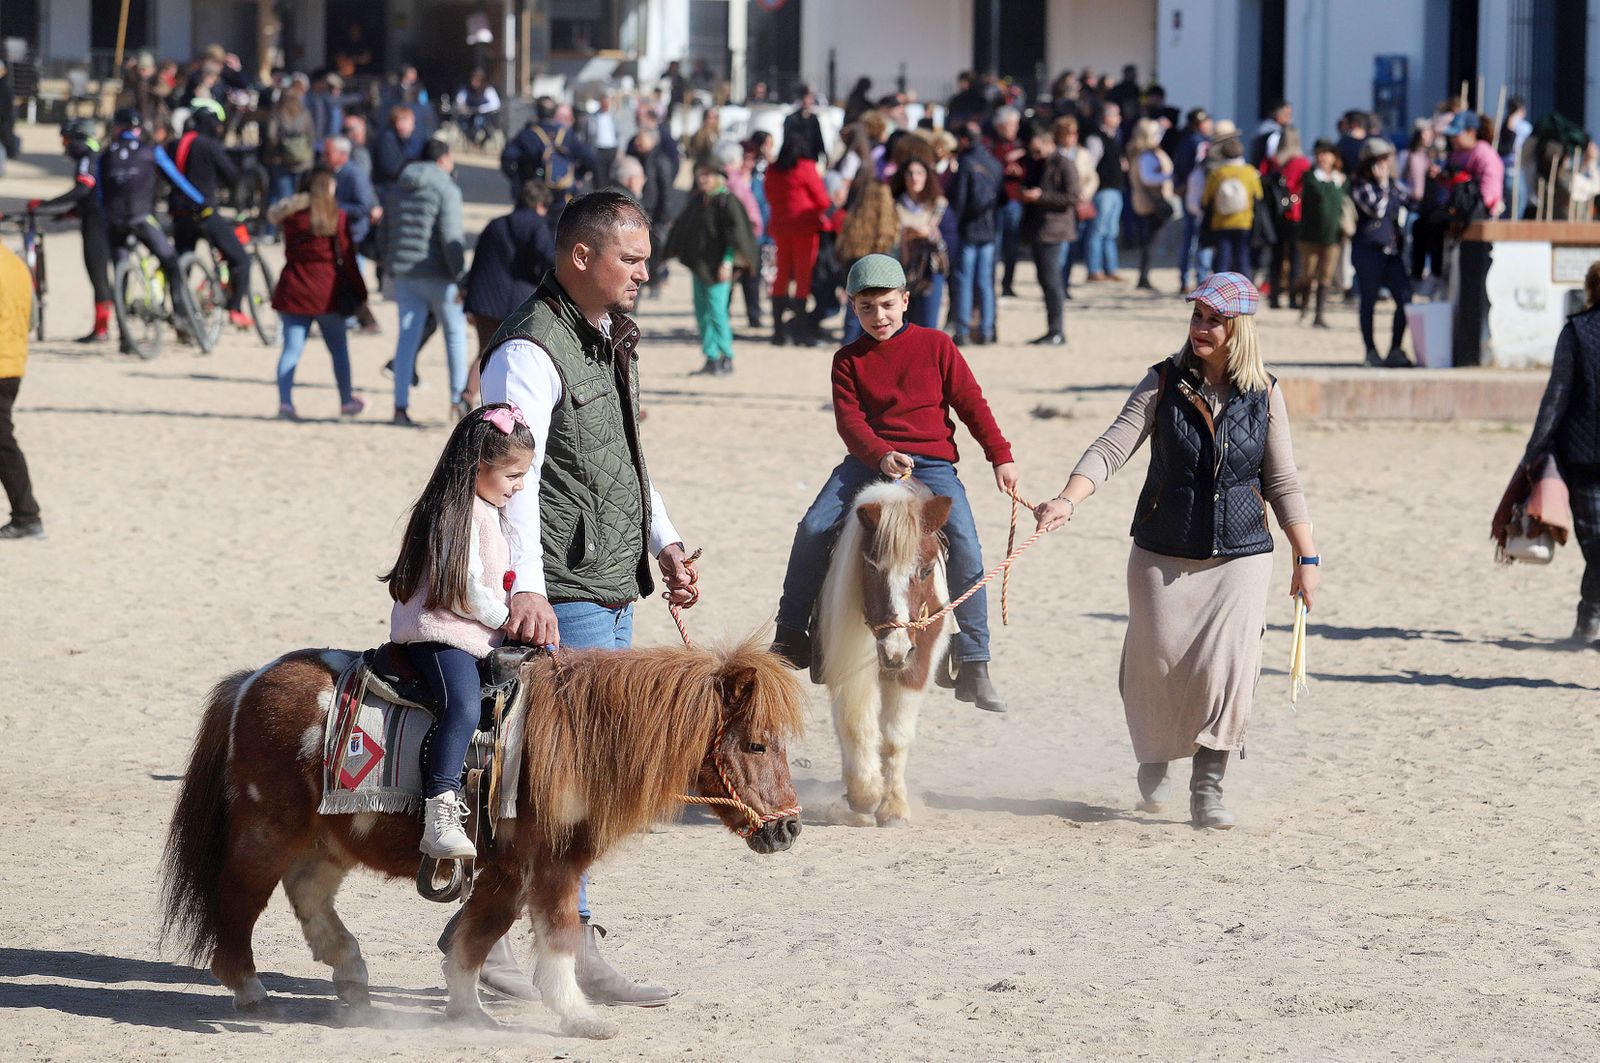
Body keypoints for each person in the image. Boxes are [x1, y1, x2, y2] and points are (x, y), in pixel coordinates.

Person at [470, 189, 698, 1007]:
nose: (644, 270)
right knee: (550, 779)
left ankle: (561, 942)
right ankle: (511, 940)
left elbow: (622, 459)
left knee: (583, 779)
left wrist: (662, 539)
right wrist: (525, 584)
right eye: (630, 258)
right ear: (580, 259)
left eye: (643, 257)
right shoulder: (528, 350)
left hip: (609, 580)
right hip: (558, 591)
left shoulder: (606, 337)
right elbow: (511, 480)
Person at [1032, 272, 1318, 829]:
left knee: (1229, 664)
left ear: (1239, 330)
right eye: (1197, 317)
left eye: (1215, 320)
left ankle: (1208, 786)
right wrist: (1068, 499)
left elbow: (1283, 482)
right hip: (1162, 547)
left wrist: (1306, 558)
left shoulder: (1265, 393)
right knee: (1156, 664)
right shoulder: (1162, 381)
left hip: (1241, 552)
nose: (1202, 328)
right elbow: (1112, 446)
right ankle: (1156, 753)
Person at [769, 254, 1020, 712]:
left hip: (933, 464)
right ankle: (792, 634)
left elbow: (971, 404)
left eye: (886, 305)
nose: (878, 317)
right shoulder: (847, 360)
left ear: (906, 300)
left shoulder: (937, 345)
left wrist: (1000, 456)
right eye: (866, 308)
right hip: (867, 461)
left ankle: (974, 660)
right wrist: (880, 455)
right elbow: (850, 421)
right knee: (812, 527)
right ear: (852, 308)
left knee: (964, 541)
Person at [384, 403, 534, 856]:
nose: (520, 485)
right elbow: (462, 590)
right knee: (463, 706)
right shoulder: (458, 513)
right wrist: (507, 620)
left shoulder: (487, 510)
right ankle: (440, 810)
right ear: (477, 468)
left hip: (474, 637)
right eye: (512, 476)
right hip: (440, 633)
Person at [1504, 261, 1600, 644]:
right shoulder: (1578, 332)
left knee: (1596, 545)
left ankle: (1589, 616)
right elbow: (1556, 398)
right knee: (1597, 547)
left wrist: (1533, 453)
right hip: (1583, 457)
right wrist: (1534, 451)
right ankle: (1589, 616)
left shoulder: (1575, 331)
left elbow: (1554, 400)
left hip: (1580, 457)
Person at [98, 107, 209, 346]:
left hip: (115, 222)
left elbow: (99, 193)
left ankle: (125, 339)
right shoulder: (151, 151)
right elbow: (177, 180)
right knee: (172, 264)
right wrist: (200, 201)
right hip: (141, 219)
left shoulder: (106, 154)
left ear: (117, 128)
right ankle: (181, 317)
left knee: (120, 271)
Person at [266, 169, 367, 420]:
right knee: (339, 350)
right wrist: (361, 292)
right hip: (327, 293)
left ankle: (285, 403)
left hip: (294, 289)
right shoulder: (337, 217)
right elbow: (348, 258)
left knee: (291, 349)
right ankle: (345, 401)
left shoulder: (290, 218)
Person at [387, 139, 470, 424]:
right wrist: (460, 276)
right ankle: (457, 400)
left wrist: (389, 264)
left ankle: (400, 406)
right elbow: (451, 237)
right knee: (455, 336)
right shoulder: (447, 188)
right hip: (439, 274)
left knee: (406, 338)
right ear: (443, 159)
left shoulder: (400, 185)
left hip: (404, 272)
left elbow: (386, 228)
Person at [666, 155, 760, 375]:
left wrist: (728, 262)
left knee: (718, 313)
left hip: (719, 267)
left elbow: (736, 236)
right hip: (699, 266)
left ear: (718, 177)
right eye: (700, 174)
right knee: (702, 314)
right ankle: (711, 357)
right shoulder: (698, 201)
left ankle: (726, 356)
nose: (703, 179)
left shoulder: (727, 201)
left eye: (707, 174)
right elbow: (683, 229)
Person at [463, 181, 556, 402]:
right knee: (519, 354)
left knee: (484, 351)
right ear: (541, 205)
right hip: (518, 302)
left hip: (483, 300)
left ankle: (467, 396)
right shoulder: (537, 225)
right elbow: (550, 259)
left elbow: (477, 263)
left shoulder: (495, 225)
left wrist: (467, 295)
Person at [27, 119, 115, 343]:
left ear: (78, 139)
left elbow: (83, 189)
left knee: (98, 274)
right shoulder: (98, 157)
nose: (64, 145)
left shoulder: (88, 159)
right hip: (100, 218)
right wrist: (67, 213)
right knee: (101, 274)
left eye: (66, 140)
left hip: (97, 223)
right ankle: (103, 325)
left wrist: (47, 204)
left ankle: (102, 329)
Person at [170, 99, 253, 329]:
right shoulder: (208, 145)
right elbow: (232, 175)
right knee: (241, 260)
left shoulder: (174, 144)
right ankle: (235, 309)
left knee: (180, 266)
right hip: (205, 212)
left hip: (179, 213)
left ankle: (179, 315)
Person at [1350, 138, 1414, 367]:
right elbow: (1376, 210)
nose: (1388, 164)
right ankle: (1371, 351)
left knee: (1405, 299)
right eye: (1383, 160)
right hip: (1368, 251)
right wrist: (1383, 185)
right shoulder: (1359, 185)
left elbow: (1410, 201)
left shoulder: (1394, 185)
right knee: (1369, 301)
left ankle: (1396, 348)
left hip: (1392, 252)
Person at [766, 136, 831, 346]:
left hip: (781, 227)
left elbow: (769, 195)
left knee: (781, 276)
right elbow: (822, 200)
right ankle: (801, 331)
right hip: (804, 228)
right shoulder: (806, 168)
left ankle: (777, 330)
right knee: (802, 278)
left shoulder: (773, 170)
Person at [1019, 120, 1080, 346]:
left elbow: (1073, 196)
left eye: (1037, 149)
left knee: (1052, 281)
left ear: (1047, 142)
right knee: (1045, 280)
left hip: (1054, 230)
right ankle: (1052, 329)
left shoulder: (1064, 164)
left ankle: (1057, 330)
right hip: (1039, 229)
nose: (1034, 154)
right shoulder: (1038, 162)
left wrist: (1041, 196)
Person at [947, 123, 1002, 346]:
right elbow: (1001, 198)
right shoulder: (994, 163)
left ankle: (963, 330)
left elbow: (959, 201)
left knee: (963, 281)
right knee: (985, 282)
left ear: (964, 140)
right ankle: (987, 329)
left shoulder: (966, 163)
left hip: (969, 229)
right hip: (988, 229)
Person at [0, 242, 41, 540]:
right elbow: (33, 320)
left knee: (3, 445)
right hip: (13, 365)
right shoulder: (14, 264)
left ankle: (27, 517)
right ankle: (26, 516)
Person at [501, 97, 596, 212]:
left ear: (537, 111)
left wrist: (518, 178)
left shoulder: (527, 135)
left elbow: (507, 158)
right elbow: (590, 159)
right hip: (562, 194)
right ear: (554, 113)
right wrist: (577, 177)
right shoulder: (566, 135)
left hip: (534, 196)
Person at [890, 157, 949, 330]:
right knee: (905, 325)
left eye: (919, 173)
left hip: (930, 269)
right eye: (910, 173)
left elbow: (945, 237)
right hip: (902, 268)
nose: (914, 178)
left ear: (927, 176)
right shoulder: (895, 206)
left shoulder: (939, 204)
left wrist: (927, 233)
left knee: (929, 325)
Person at [1295, 138, 1345, 329]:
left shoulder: (1340, 179)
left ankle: (1319, 314)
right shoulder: (1310, 177)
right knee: (1308, 273)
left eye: (1327, 153)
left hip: (1332, 236)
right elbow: (1320, 193)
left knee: (1326, 275)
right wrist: (1334, 183)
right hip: (1310, 236)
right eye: (1320, 153)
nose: (1323, 157)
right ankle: (1304, 308)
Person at [1201, 125, 1262, 277]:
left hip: (1221, 221)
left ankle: (1219, 290)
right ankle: (1244, 288)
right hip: (1244, 221)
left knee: (1222, 258)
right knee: (1242, 256)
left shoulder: (1217, 173)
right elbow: (1258, 196)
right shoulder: (1249, 172)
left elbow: (1206, 199)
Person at [1260, 125, 1309, 309]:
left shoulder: (1273, 162)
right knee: (1295, 257)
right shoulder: (1301, 163)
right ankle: (1292, 298)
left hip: (1275, 213)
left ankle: (1273, 296)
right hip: (1295, 214)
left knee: (1276, 256)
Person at [1126, 116, 1175, 291]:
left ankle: (1144, 275)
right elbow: (1148, 178)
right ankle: (1144, 276)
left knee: (1151, 239)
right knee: (1151, 240)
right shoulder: (1145, 155)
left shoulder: (1143, 152)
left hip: (1147, 200)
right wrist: (1169, 177)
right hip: (1150, 201)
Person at [984, 107, 1027, 297]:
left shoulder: (1019, 144)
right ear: (1000, 126)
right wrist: (1004, 163)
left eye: (1016, 125)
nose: (1014, 129)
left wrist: (1019, 170)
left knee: (1012, 247)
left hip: (1015, 200)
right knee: (995, 246)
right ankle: (991, 284)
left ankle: (1008, 283)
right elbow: (987, 170)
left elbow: (1029, 169)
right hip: (997, 202)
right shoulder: (990, 145)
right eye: (1011, 125)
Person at [1083, 101, 1127, 282]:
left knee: (1111, 232)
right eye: (1116, 115)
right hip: (1103, 191)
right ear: (1106, 117)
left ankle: (1111, 268)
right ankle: (1094, 269)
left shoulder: (1114, 137)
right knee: (1098, 231)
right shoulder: (1095, 138)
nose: (1119, 119)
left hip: (1116, 189)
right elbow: (1089, 166)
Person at [265, 77, 317, 223]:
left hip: (282, 161)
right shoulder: (304, 113)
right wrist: (308, 154)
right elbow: (311, 136)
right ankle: (293, 226)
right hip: (303, 161)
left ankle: (275, 230)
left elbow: (270, 136)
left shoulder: (277, 113)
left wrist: (275, 152)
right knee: (298, 196)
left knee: (283, 197)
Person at [1173, 108, 1213, 292]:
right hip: (1195, 194)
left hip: (1189, 193)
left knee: (1191, 237)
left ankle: (1185, 278)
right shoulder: (1198, 143)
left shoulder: (1184, 140)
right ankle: (1199, 278)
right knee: (1197, 238)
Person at [1444, 111, 1504, 219]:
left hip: (1481, 213)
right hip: (1460, 210)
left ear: (1471, 132)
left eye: (1456, 135)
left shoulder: (1484, 154)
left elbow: (1489, 192)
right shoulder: (1456, 155)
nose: (1452, 139)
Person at [453, 69, 502, 148]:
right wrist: (465, 108)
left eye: (477, 80)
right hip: (468, 117)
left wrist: (481, 109)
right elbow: (459, 101)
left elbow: (496, 104)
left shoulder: (488, 89)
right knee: (463, 125)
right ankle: (472, 142)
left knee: (479, 122)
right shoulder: (466, 89)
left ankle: (480, 143)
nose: (474, 82)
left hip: (485, 118)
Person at [782, 86, 826, 163]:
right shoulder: (791, 118)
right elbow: (787, 141)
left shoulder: (814, 119)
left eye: (810, 98)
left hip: (811, 158)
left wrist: (823, 154)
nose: (807, 101)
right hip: (794, 159)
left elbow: (818, 138)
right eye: (805, 98)